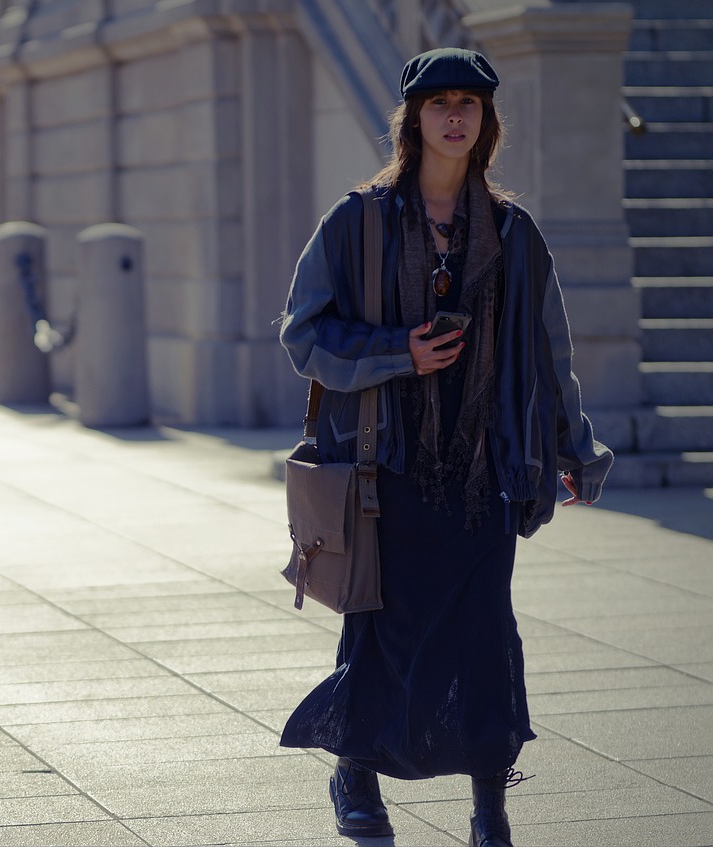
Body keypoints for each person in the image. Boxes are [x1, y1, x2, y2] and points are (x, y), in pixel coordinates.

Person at [277, 48, 613, 847]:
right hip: (382, 467)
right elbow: (304, 331)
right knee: (379, 633)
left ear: (485, 122)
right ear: (414, 120)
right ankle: (355, 774)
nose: (454, 116)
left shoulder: (514, 233)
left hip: (486, 471)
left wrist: (575, 448)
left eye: (469, 103)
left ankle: (490, 805)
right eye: (439, 104)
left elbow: (547, 350)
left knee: (486, 636)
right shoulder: (357, 221)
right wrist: (401, 351)